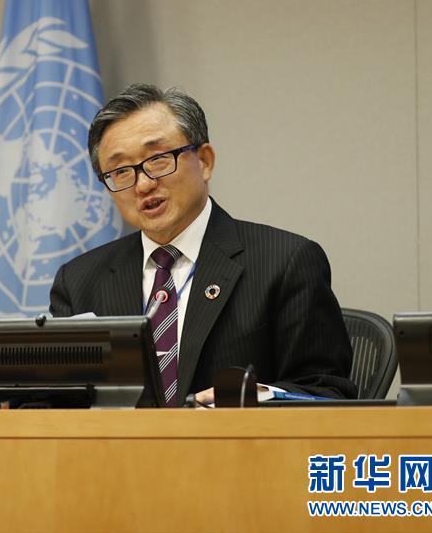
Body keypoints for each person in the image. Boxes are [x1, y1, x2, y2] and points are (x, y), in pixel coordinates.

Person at [49, 84, 355, 406]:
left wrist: (257, 399)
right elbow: (58, 403)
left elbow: (327, 392)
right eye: (121, 171)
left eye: (158, 159)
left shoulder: (285, 262)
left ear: (205, 161)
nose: (143, 184)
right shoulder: (79, 281)